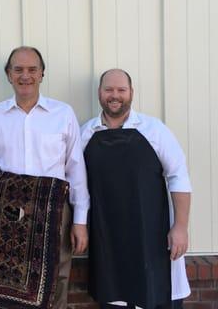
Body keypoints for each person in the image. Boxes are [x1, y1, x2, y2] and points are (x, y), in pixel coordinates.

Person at [0, 46, 90, 309]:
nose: (25, 76)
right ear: (8, 75)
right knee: (8, 282)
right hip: (7, 215)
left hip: (55, 212)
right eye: (18, 70)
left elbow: (76, 170)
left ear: (42, 74)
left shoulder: (63, 114)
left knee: (58, 278)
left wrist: (80, 221)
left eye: (32, 69)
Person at [81, 69, 192, 309]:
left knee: (156, 295)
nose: (115, 95)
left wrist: (180, 227)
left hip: (153, 232)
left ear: (131, 93)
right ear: (99, 93)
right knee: (116, 298)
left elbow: (178, 176)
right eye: (109, 89)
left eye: (121, 90)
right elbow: (76, 184)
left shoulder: (155, 130)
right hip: (107, 235)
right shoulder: (85, 133)